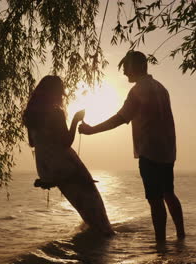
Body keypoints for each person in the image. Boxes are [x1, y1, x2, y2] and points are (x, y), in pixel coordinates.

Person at [79, 51, 185, 242]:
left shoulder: (138, 91)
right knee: (168, 193)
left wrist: (91, 130)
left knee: (155, 200)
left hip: (150, 151)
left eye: (126, 68)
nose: (125, 73)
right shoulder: (161, 88)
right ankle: (181, 237)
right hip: (168, 150)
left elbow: (120, 118)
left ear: (136, 67)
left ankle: (160, 245)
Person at [23, 75, 114, 236]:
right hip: (66, 166)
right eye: (60, 92)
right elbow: (66, 142)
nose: (62, 95)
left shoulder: (30, 116)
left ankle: (90, 249)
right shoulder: (55, 113)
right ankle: (101, 248)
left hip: (47, 169)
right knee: (96, 211)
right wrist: (75, 120)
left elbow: (32, 143)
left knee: (84, 210)